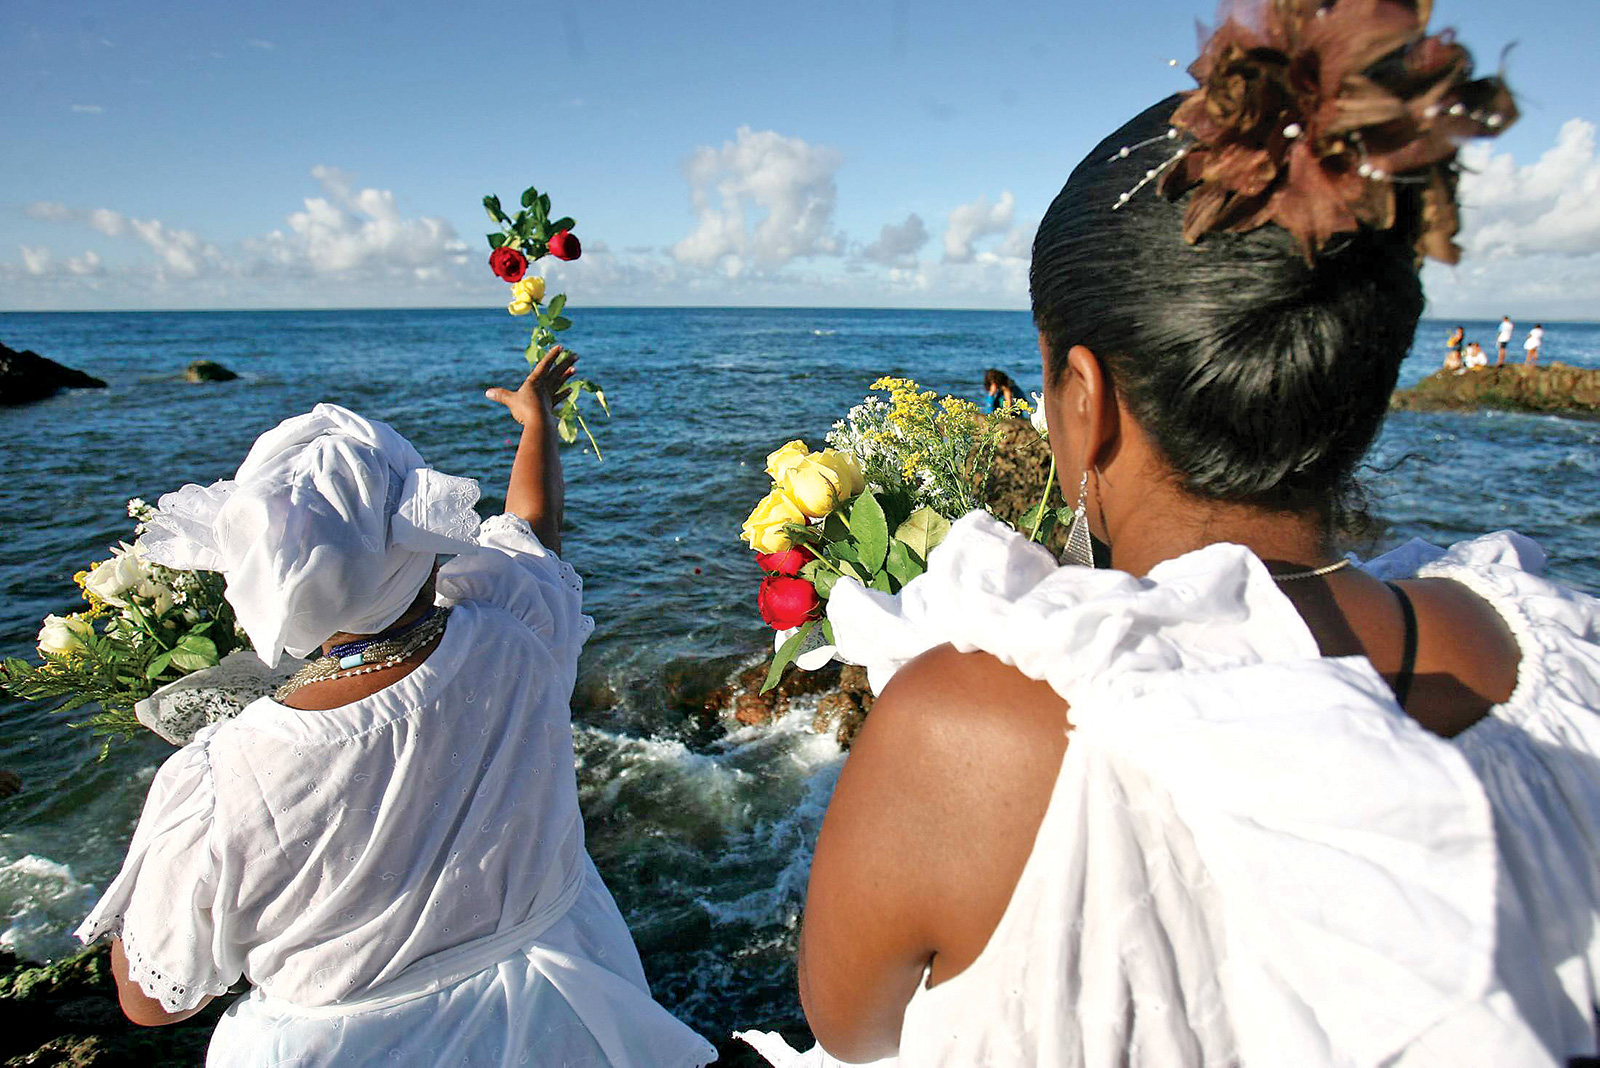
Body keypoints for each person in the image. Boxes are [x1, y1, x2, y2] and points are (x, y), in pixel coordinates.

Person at [769, 6, 1600, 1066]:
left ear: (1083, 400)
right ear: (1364, 381)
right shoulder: (1542, 663)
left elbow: (852, 1026)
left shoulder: (962, 729)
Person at [76, 349, 717, 1067]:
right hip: (564, 1012)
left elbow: (154, 1000)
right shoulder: (514, 636)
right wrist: (537, 422)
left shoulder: (223, 775)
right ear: (420, 537)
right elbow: (532, 530)